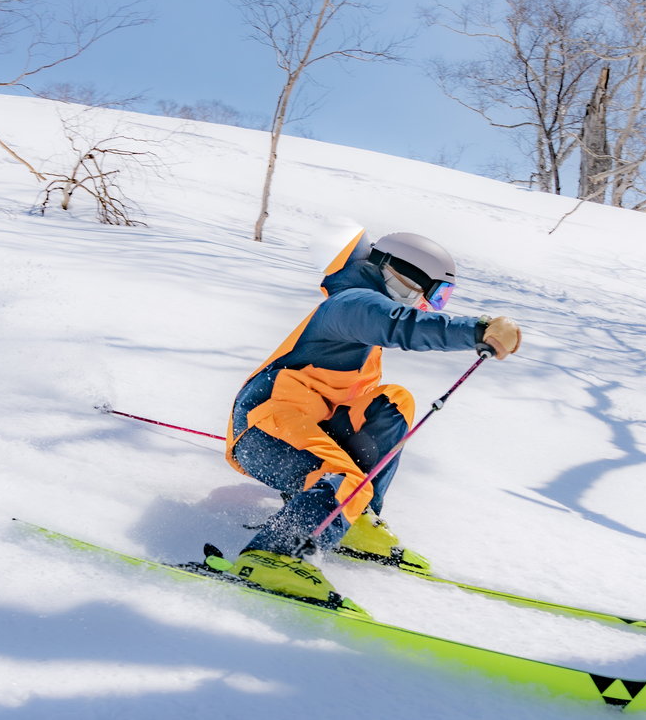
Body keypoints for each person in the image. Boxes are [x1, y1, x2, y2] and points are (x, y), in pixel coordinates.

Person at [222, 230, 521, 605]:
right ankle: (274, 556)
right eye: (438, 293)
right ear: (410, 277)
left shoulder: (363, 313)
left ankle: (353, 519)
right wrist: (477, 331)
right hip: (265, 430)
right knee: (342, 476)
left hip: (307, 423)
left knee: (394, 401)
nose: (433, 304)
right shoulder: (352, 303)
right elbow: (402, 325)